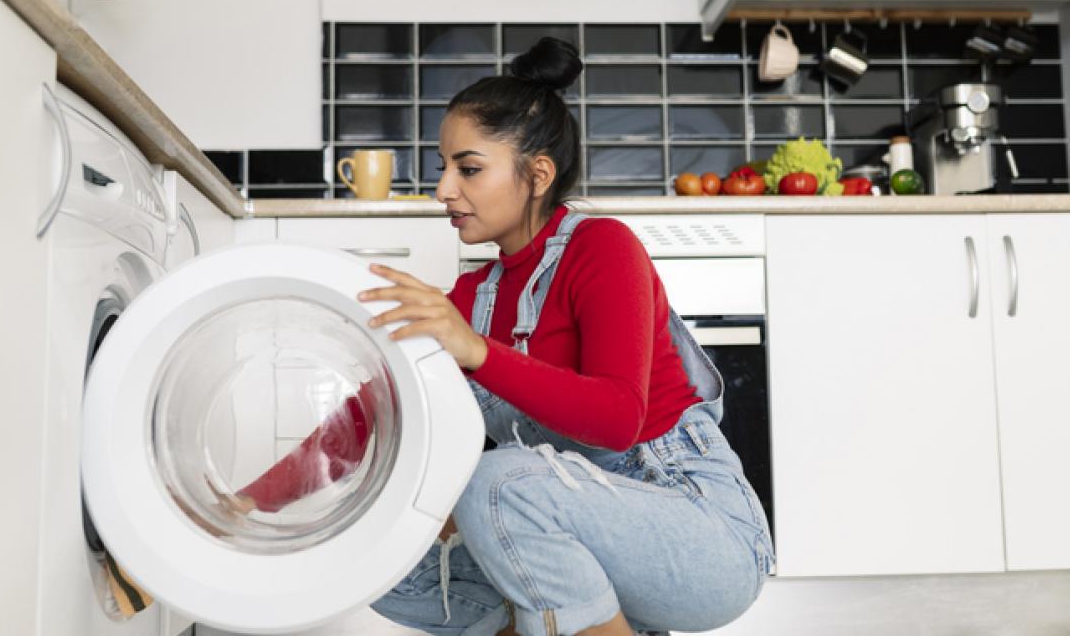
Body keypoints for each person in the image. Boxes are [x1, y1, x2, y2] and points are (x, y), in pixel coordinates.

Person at [228, 37, 774, 636]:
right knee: (378, 552)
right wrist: (247, 507)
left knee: (496, 484)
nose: (443, 190)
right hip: (587, 537)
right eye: (444, 170)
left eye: (468, 169)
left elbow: (619, 417)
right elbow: (370, 416)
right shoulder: (471, 300)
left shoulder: (602, 248)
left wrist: (477, 352)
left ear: (537, 175)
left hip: (703, 535)